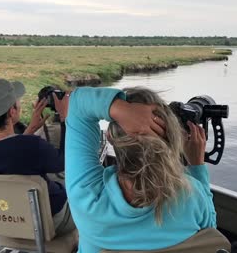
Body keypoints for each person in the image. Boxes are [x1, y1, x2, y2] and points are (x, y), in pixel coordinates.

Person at [64, 87, 216, 252]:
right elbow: (211, 237)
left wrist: (122, 109)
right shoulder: (192, 197)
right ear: (170, 138)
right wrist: (197, 166)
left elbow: (77, 104)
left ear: (110, 136)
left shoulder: (87, 195)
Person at [0, 79, 74, 234]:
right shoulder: (32, 145)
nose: (20, 105)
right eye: (17, 102)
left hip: (0, 223)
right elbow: (63, 162)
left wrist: (31, 129)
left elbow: (7, 152)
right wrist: (65, 118)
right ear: (12, 111)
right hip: (47, 223)